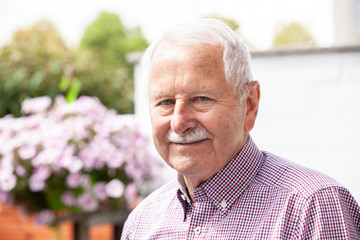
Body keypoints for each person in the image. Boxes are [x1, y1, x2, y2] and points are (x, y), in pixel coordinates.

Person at [121, 18, 360, 239]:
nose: (179, 122)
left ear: (249, 104)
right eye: (165, 102)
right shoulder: (141, 223)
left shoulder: (313, 208)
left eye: (201, 99)